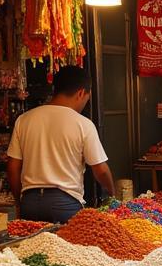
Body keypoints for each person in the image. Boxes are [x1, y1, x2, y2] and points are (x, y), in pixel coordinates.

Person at [6, 65, 116, 223]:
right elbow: (101, 171)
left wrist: (19, 201)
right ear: (80, 93)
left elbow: (12, 168)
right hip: (65, 204)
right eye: (87, 97)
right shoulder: (83, 124)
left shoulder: (25, 120)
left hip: (30, 202)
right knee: (67, 247)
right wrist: (112, 194)